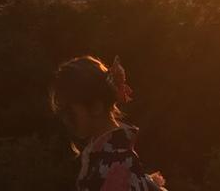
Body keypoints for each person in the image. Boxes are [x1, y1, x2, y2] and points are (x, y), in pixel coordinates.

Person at [50, 55, 166, 190]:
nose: (65, 118)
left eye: (69, 110)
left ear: (96, 107)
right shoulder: (112, 159)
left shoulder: (116, 166)